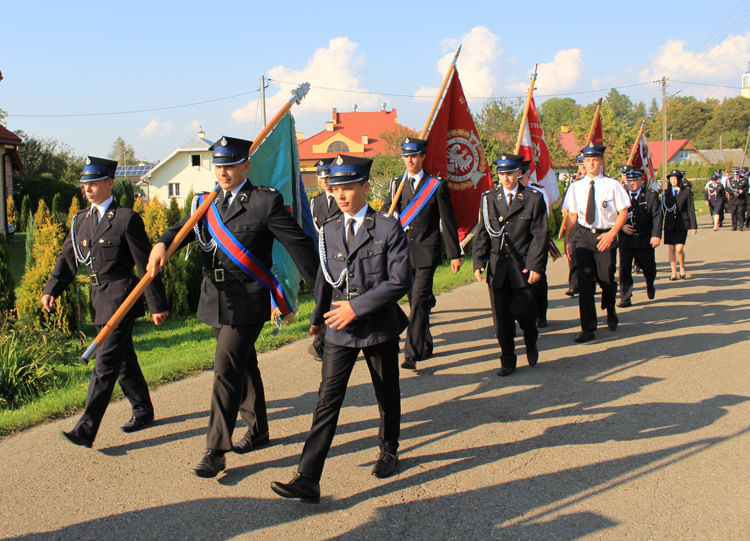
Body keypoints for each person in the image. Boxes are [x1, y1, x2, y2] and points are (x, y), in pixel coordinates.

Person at [147, 136, 318, 477]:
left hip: (248, 299)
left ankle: (215, 450)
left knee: (225, 368)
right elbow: (182, 230)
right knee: (243, 363)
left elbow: (299, 245)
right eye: (219, 165)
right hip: (215, 299)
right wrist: (163, 243)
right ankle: (258, 430)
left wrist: (322, 296)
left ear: (246, 166)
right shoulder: (205, 201)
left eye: (231, 164)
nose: (223, 171)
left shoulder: (264, 201)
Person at [271, 155, 412, 502]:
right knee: (327, 400)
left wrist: (356, 308)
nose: (341, 194)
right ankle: (308, 476)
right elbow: (324, 278)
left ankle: (388, 449)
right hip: (339, 327)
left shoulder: (387, 228)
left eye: (348, 187)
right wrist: (317, 319)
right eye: (336, 188)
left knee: (386, 391)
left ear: (365, 187)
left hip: (377, 324)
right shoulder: (330, 230)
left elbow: (399, 281)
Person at [42, 157, 169, 448]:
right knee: (123, 360)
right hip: (99, 299)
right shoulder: (80, 221)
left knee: (106, 362)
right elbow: (67, 259)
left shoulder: (125, 218)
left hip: (122, 298)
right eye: (84, 183)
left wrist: (156, 304)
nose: (87, 188)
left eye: (93, 182)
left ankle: (85, 429)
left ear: (109, 183)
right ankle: (143, 409)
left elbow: (146, 265)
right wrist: (52, 288)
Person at [382, 137, 461, 370]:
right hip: (402, 254)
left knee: (417, 301)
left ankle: (411, 353)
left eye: (414, 155)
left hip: (426, 252)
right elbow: (386, 215)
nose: (410, 160)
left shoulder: (435, 184)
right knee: (416, 301)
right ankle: (425, 343)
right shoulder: (396, 185)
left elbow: (448, 220)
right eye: (406, 155)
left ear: (422, 157)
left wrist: (454, 253)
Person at [473, 153, 547, 376]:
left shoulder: (533, 198)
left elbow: (540, 236)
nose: (505, 177)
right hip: (498, 269)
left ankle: (531, 342)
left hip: (522, 267)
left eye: (510, 173)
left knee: (525, 315)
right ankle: (507, 358)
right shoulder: (488, 199)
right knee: (501, 320)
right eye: (501, 173)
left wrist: (535, 266)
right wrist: (479, 261)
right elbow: (483, 232)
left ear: (519, 173)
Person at [563, 143, 630, 343]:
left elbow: (623, 212)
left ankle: (610, 310)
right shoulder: (576, 187)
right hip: (583, 236)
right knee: (584, 283)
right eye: (587, 160)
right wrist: (568, 240)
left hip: (604, 235)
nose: (591, 164)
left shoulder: (612, 185)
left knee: (606, 279)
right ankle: (588, 327)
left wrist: (612, 234)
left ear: (601, 162)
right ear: (583, 163)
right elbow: (572, 216)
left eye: (595, 160)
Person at [308, 158, 341, 362]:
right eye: (321, 177)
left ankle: (323, 343)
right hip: (323, 257)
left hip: (341, 257)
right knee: (322, 298)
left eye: (327, 176)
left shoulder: (343, 198)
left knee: (338, 298)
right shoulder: (316, 202)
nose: (324, 181)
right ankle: (322, 343)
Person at [617, 168, 662, 307]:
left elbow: (657, 216)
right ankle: (625, 296)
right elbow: (614, 214)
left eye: (635, 180)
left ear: (642, 180)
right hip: (626, 239)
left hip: (644, 238)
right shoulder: (621, 195)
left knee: (648, 268)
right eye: (629, 180)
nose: (632, 183)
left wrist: (656, 235)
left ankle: (650, 284)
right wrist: (622, 226)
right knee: (624, 268)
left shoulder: (650, 195)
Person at [519, 159, 551, 327]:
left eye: (521, 176)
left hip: (534, 241)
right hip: (516, 245)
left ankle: (541, 313)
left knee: (537, 280)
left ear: (527, 176)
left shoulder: (538, 192)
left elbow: (544, 218)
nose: (519, 180)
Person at [662, 170, 697, 280]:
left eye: (675, 178)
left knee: (679, 249)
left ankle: (682, 267)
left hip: (682, 223)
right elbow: (662, 210)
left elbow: (691, 209)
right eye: (671, 179)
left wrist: (693, 226)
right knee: (671, 249)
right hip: (670, 223)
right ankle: (673, 272)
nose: (673, 180)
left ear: (679, 179)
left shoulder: (686, 192)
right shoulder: (665, 193)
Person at [560, 154, 586, 297]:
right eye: (580, 164)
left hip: (589, 225)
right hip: (575, 224)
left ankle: (589, 282)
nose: (582, 167)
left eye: (584, 163)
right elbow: (567, 204)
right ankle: (574, 285)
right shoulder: (573, 184)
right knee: (573, 255)